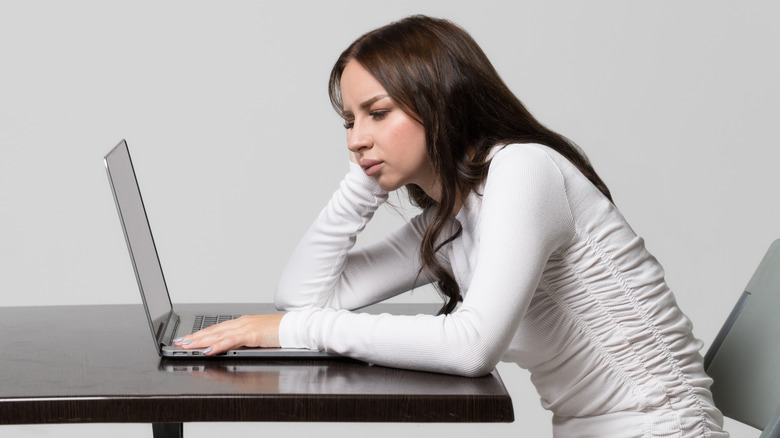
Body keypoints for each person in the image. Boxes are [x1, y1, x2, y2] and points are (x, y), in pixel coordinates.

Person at [175, 15, 728, 437]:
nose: (355, 138)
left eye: (378, 112)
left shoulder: (522, 170)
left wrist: (290, 333)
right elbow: (303, 297)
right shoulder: (453, 216)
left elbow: (471, 347)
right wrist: (360, 185)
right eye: (349, 121)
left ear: (438, 101)